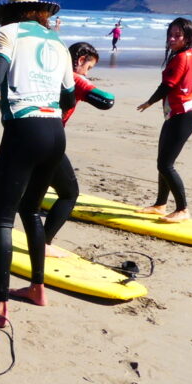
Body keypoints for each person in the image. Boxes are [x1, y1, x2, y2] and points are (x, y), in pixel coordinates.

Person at [0, 0, 75, 328]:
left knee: (3, 218)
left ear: (10, 10)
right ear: (41, 11)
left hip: (24, 129)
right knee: (31, 212)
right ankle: (37, 288)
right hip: (55, 131)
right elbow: (68, 97)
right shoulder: (58, 42)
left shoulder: (7, 33)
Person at [42, 43, 115, 256]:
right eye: (89, 67)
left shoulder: (48, 71)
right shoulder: (74, 78)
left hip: (24, 133)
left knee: (28, 191)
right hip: (49, 140)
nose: (88, 72)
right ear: (81, 60)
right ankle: (44, 244)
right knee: (69, 194)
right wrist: (84, 81)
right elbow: (106, 101)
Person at [136, 17, 192, 223]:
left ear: (187, 37)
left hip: (182, 115)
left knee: (165, 164)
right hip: (183, 113)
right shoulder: (191, 55)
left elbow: (167, 86)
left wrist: (149, 102)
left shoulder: (181, 58)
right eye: (170, 34)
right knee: (163, 161)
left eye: (177, 35)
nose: (171, 38)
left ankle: (183, 209)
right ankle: (160, 204)